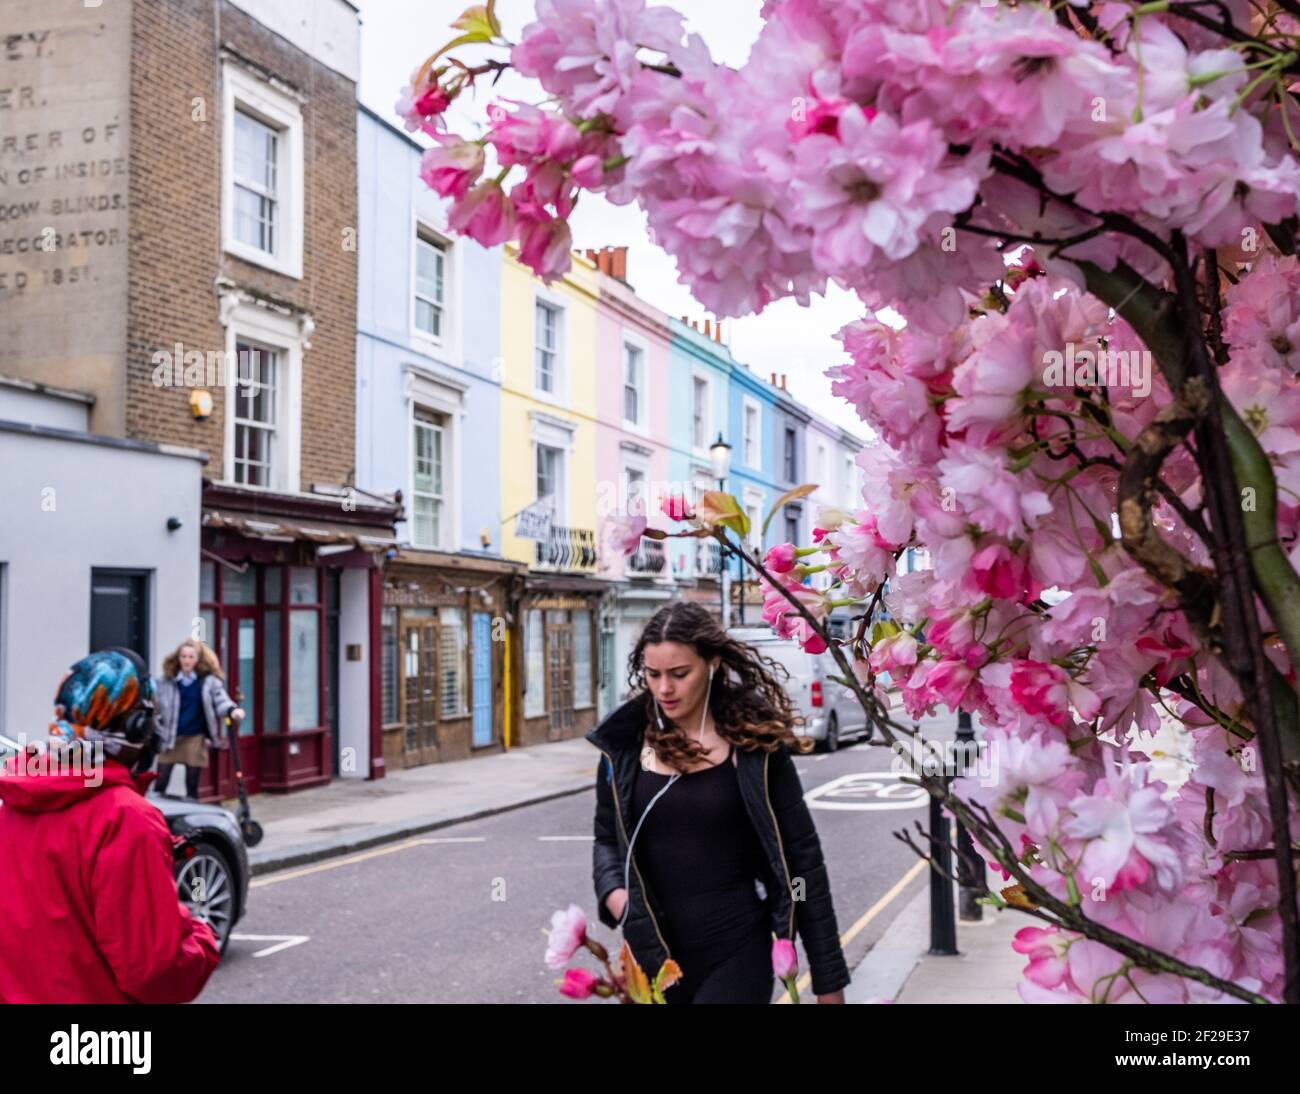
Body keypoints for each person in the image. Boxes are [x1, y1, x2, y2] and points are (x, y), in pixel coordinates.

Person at [587, 601, 851, 1004]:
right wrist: (618, 898)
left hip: (737, 954)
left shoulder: (756, 748)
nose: (664, 689)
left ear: (711, 664)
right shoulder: (622, 747)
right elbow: (606, 840)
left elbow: (802, 864)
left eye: (679, 674)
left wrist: (828, 983)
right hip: (652, 959)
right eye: (653, 674)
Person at [0, 648, 221, 1003]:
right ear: (136, 727)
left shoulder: (14, 803)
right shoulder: (125, 819)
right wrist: (201, 935)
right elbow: (155, 971)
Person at [154, 639, 244, 801]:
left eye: (191, 657)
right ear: (178, 658)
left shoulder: (208, 682)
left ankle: (192, 814)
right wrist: (157, 725)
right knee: (160, 782)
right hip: (170, 738)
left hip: (194, 738)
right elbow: (155, 706)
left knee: (192, 785)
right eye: (183, 656)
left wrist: (233, 710)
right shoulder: (165, 682)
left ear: (198, 660)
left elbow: (221, 701)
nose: (187, 660)